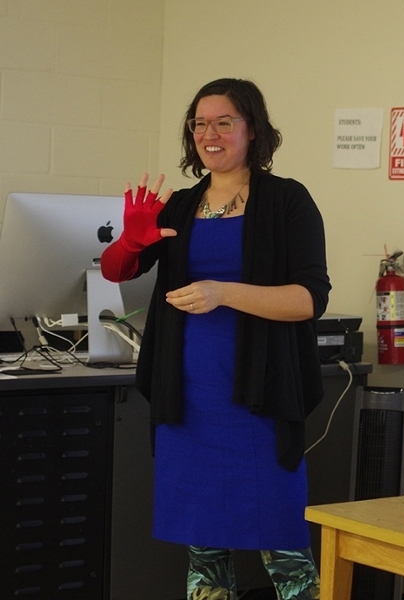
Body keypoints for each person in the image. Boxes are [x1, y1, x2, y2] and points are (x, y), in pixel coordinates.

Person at [101, 78, 329, 600]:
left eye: (225, 122)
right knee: (205, 554)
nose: (211, 133)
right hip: (190, 400)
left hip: (260, 400)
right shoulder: (181, 206)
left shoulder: (288, 201)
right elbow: (117, 270)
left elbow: (307, 299)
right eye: (200, 123)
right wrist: (131, 239)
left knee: (286, 549)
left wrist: (224, 292)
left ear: (252, 130)